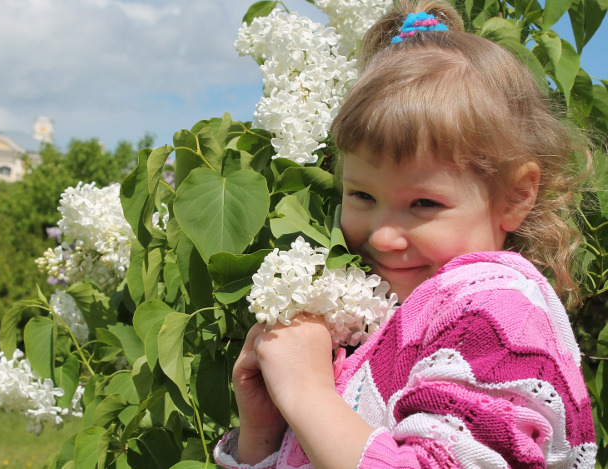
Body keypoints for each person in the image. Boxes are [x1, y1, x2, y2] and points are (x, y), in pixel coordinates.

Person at [213, 0, 598, 467]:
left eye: (423, 204)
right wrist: (264, 432)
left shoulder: (499, 317)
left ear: (516, 197)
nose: (382, 237)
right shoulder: (406, 324)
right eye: (361, 196)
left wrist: (305, 392)